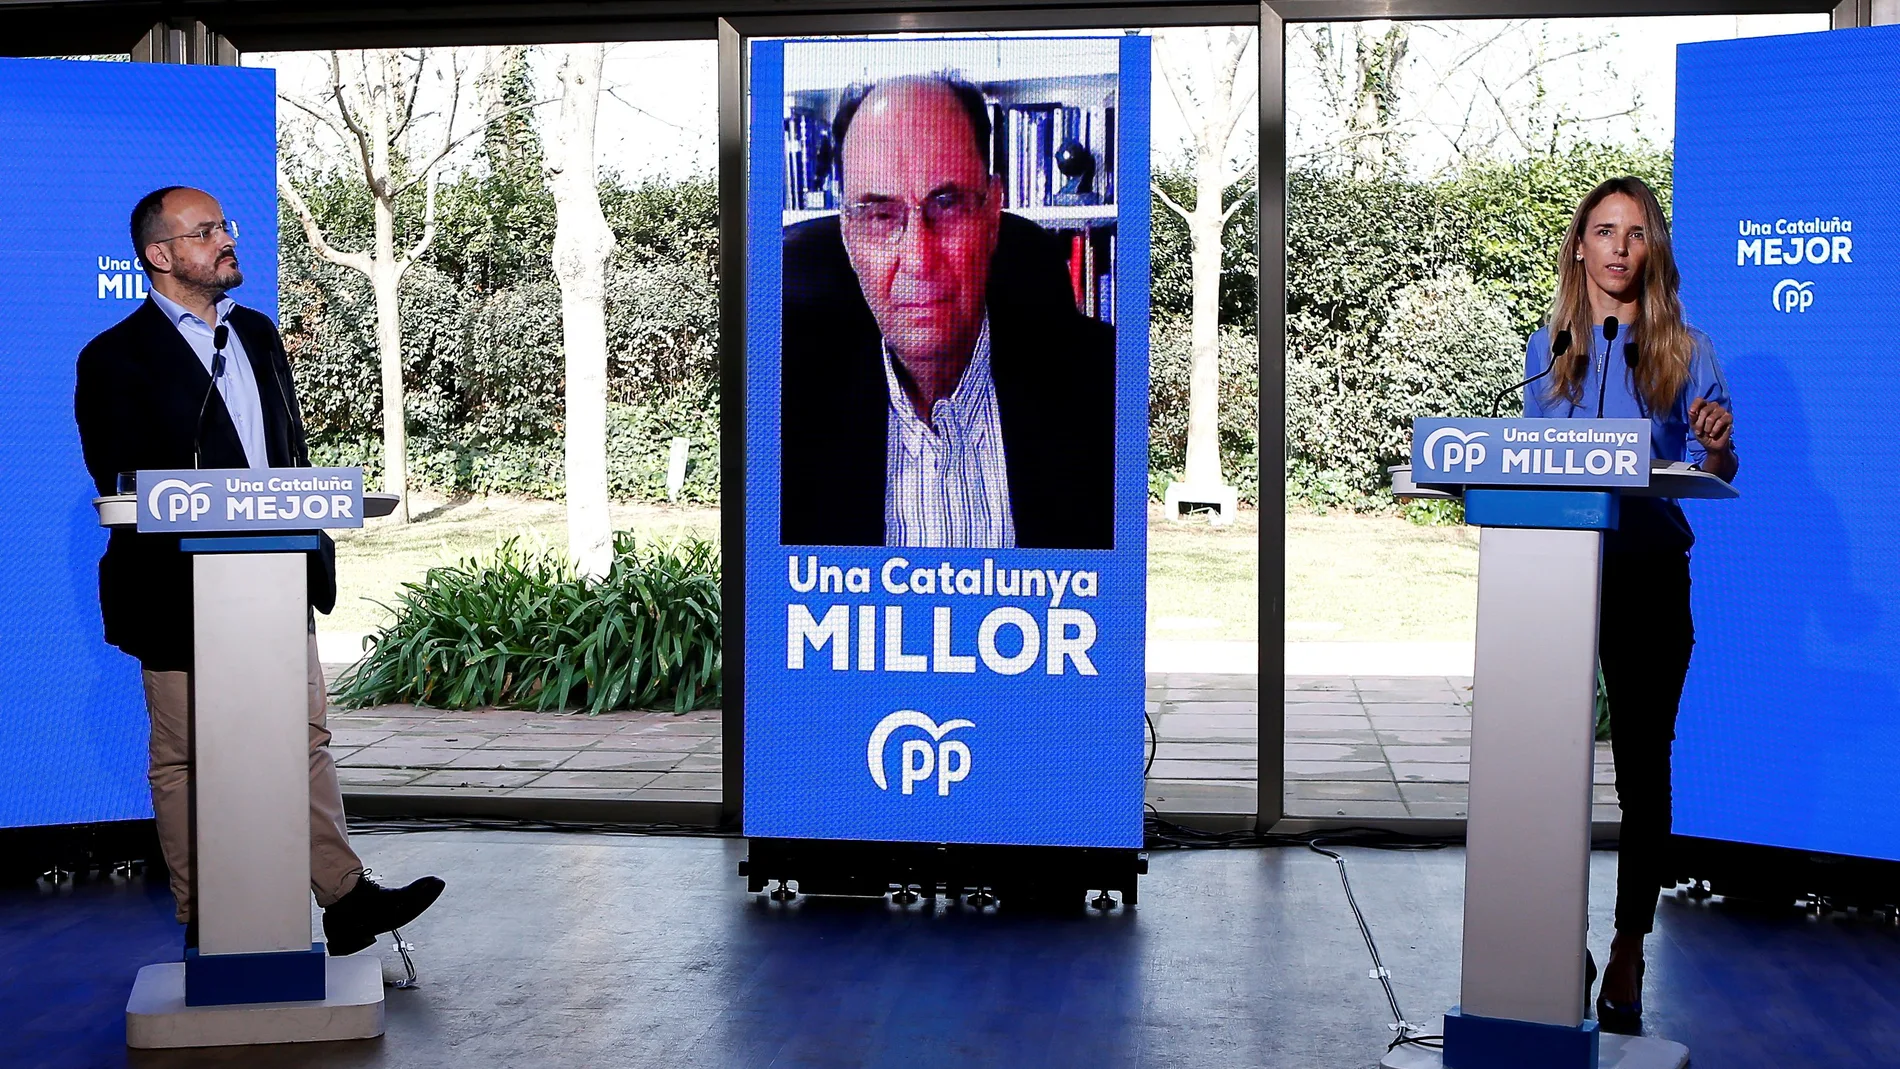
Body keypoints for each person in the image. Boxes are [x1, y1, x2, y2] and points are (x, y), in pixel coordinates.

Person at [73, 186, 444, 956]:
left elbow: (289, 460)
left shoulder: (260, 336)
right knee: (186, 755)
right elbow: (122, 481)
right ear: (161, 255)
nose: (224, 239)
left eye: (224, 226)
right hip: (176, 594)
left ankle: (344, 897)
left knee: (303, 738)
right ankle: (205, 912)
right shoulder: (113, 356)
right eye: (203, 231)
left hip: (272, 580)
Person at [1523, 176, 1736, 1035]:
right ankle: (1550, 940)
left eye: (1635, 232)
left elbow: (1719, 468)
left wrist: (1716, 445)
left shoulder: (1686, 347)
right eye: (1603, 231)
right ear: (1579, 245)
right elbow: (1529, 465)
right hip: (1561, 577)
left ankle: (1627, 944)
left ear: (1653, 250)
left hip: (1648, 576)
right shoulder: (1552, 346)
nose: (1617, 246)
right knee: (1549, 768)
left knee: (1644, 770)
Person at [780, 74, 1116, 549]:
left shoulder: (1108, 389)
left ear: (992, 215)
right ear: (849, 238)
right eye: (880, 215)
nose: (919, 258)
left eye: (949, 204)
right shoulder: (780, 408)